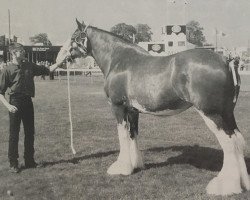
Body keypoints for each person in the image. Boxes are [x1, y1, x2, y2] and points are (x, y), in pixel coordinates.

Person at [0, 43, 62, 173]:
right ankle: (13, 164)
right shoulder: (7, 70)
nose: (23, 52)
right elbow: (0, 92)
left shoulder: (29, 65)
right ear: (14, 53)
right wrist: (8, 106)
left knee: (29, 133)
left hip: (28, 102)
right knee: (14, 135)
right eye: (21, 51)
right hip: (15, 103)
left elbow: (48, 70)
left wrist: (62, 60)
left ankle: (29, 161)